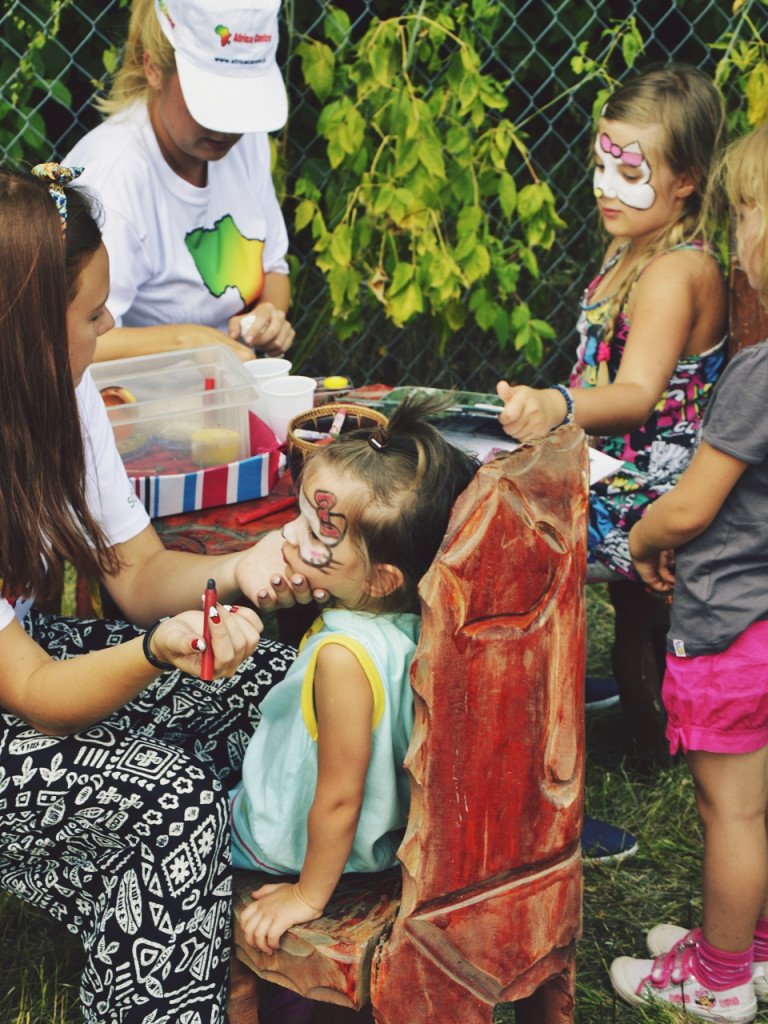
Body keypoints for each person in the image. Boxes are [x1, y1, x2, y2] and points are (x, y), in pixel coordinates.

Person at [0, 163, 318, 1023]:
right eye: (93, 314)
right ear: (24, 328)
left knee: (278, 690)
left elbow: (138, 573)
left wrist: (250, 564)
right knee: (165, 799)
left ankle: (274, 970)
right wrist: (154, 652)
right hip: (18, 690)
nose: (111, 328)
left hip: (23, 678)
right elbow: (34, 694)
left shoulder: (63, 397)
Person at [494, 63, 728, 863]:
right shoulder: (637, 250)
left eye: (632, 173)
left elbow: (633, 395)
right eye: (603, 164)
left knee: (513, 539)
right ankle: (644, 732)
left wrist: (554, 408)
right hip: (622, 469)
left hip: (652, 487)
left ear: (686, 181)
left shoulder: (673, 272)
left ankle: (540, 743)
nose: (607, 186)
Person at [226, 392, 478, 1017]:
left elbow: (339, 795)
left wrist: (308, 898)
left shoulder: (342, 657)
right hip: (381, 840)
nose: (292, 537)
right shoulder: (410, 624)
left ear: (378, 580)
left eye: (319, 536)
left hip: (297, 851)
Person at [608, 122, 768, 1024]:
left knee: (730, 814)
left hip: (731, 625)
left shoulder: (756, 374)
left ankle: (716, 982)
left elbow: (693, 505)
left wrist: (643, 538)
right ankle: (748, 943)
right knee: (763, 803)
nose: (735, 230)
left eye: (747, 211)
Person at [65, 0, 294, 364]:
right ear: (152, 67)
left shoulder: (246, 143)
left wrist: (269, 316)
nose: (228, 126)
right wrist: (187, 341)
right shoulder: (110, 179)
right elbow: (67, 339)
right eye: (213, 102)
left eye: (243, 104)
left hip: (227, 384)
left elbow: (274, 268)